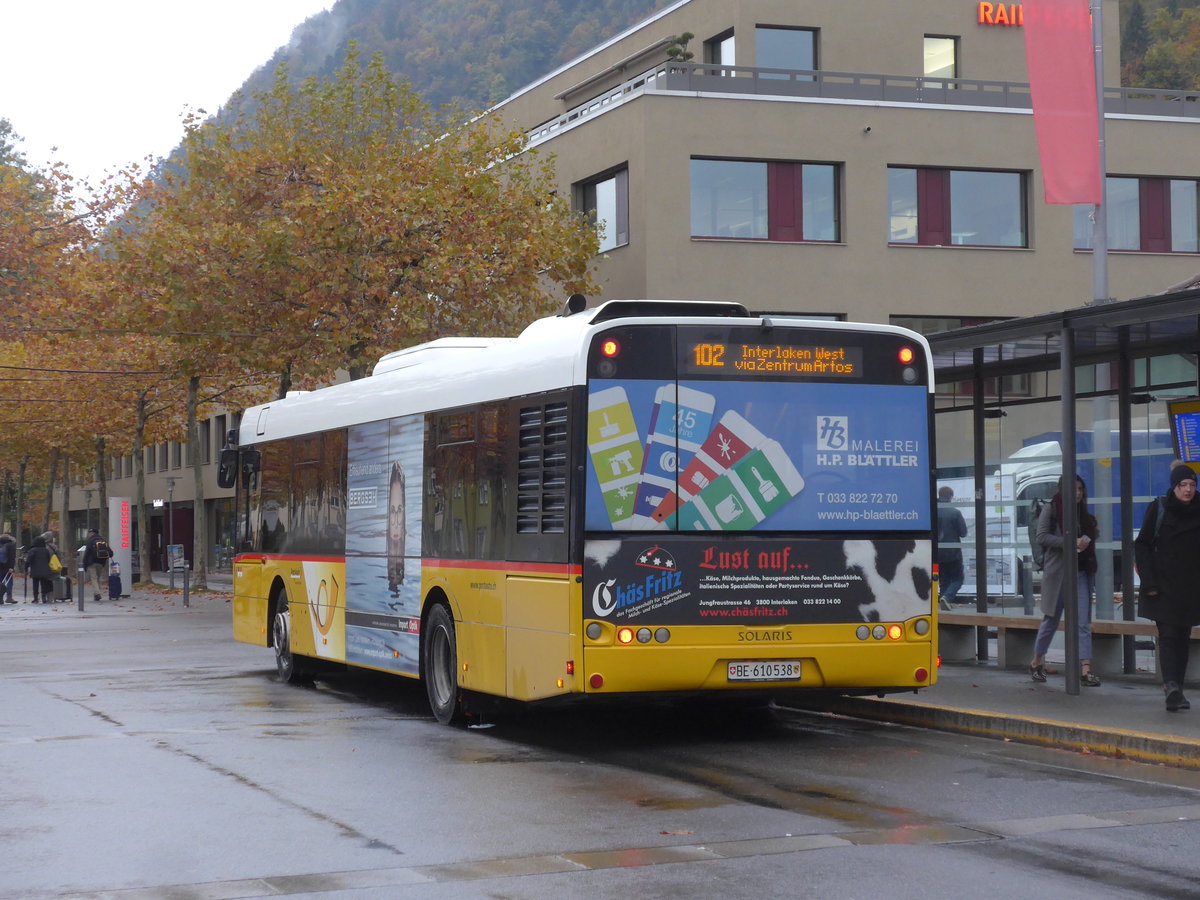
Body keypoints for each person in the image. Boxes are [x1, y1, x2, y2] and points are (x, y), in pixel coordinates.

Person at [1134, 462, 1200, 712]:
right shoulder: (1160, 508)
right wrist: (1149, 582)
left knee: (1182, 638)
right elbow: (1142, 545)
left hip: (1190, 588)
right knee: (1169, 636)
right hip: (1161, 586)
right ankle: (1171, 685)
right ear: (1174, 487)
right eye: (1183, 485)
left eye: (1192, 485)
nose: (1188, 490)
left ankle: (1177, 689)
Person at [1029, 475, 1100, 686]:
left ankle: (1085, 669)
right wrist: (1070, 541)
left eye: (1080, 489)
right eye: (1073, 489)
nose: (1077, 493)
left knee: (1083, 623)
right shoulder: (1051, 509)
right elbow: (1042, 537)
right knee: (1051, 620)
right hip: (1059, 573)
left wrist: (1090, 534)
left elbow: (1091, 534)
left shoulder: (1083, 513)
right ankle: (1036, 662)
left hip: (1080, 573)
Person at [937, 485, 968, 606]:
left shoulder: (932, 512)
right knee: (957, 579)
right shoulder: (955, 513)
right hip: (953, 553)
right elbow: (963, 533)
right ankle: (947, 598)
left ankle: (944, 602)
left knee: (943, 580)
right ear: (950, 497)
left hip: (937, 553)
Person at [82, 527, 113, 602]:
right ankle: (96, 594)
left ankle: (97, 593)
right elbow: (111, 553)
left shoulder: (90, 541)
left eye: (89, 533)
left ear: (92, 533)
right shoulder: (103, 540)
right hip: (101, 563)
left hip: (91, 562)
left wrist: (84, 564)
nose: (89, 534)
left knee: (94, 578)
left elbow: (87, 553)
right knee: (97, 578)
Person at [24, 535, 54, 604]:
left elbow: (29, 560)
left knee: (35, 585)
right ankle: (44, 598)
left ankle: (36, 598)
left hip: (35, 570)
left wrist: (26, 567)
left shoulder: (33, 550)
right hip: (45, 570)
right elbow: (49, 559)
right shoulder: (46, 550)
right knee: (43, 584)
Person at [0, 533, 15, 603]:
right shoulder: (10, 545)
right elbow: (12, 557)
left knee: (0, 582)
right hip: (7, 566)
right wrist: (11, 567)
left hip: (1, 566)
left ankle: (0, 598)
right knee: (9, 582)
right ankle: (9, 597)